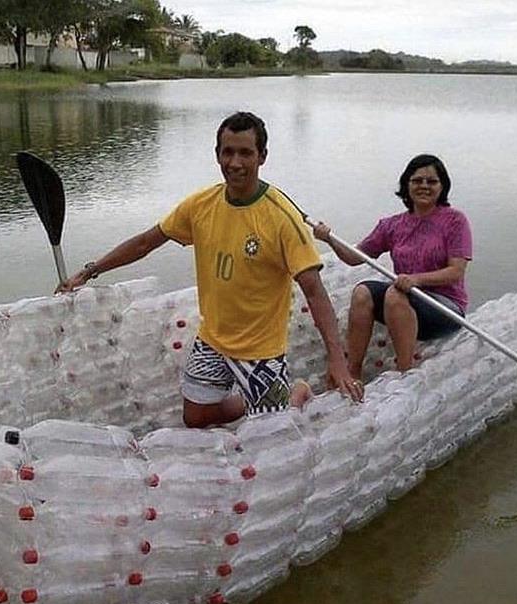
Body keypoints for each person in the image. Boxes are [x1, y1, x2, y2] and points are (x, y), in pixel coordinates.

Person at [57, 111, 363, 428]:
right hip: (213, 339)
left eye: (245, 153)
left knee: (272, 434)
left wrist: (336, 359)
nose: (235, 163)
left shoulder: (281, 217)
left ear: (262, 156)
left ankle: (294, 395)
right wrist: (89, 271)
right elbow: (146, 242)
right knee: (196, 418)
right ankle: (260, 401)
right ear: (217, 154)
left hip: (261, 349)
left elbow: (314, 290)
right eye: (227, 152)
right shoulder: (201, 205)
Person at [313, 154, 472, 379]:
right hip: (404, 297)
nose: (424, 186)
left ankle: (404, 373)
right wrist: (329, 238)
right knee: (362, 292)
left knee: (395, 294)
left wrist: (416, 280)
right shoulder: (392, 225)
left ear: (442, 186)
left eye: (431, 181)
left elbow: (456, 271)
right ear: (406, 185)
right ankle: (352, 371)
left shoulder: (455, 221)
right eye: (417, 181)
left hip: (445, 308)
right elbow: (354, 257)